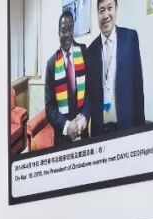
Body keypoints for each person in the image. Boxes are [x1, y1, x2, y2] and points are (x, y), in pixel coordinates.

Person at [87, 0, 145, 134]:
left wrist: (141, 130)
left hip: (127, 128)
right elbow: (90, 94)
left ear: (116, 9)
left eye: (109, 8)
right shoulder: (90, 50)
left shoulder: (130, 38)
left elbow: (138, 86)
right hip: (99, 132)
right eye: (102, 10)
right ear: (97, 14)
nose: (106, 15)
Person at [44, 10, 91, 145]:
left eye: (70, 29)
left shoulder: (83, 52)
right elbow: (49, 107)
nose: (67, 34)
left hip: (83, 131)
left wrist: (85, 117)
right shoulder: (51, 64)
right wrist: (66, 126)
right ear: (58, 32)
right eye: (63, 30)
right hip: (62, 137)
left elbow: (90, 92)